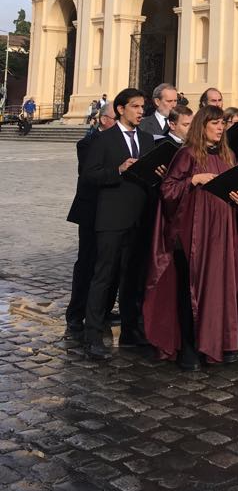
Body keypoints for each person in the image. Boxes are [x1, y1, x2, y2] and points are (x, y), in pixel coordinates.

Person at [143, 106, 238, 370]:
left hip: (221, 230)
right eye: (214, 123)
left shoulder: (228, 155)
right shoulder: (187, 154)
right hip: (193, 232)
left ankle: (219, 343)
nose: (220, 128)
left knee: (219, 287)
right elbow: (167, 189)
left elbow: (234, 188)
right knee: (192, 288)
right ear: (202, 125)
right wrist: (193, 179)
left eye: (222, 123)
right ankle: (190, 346)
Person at [81, 88, 161, 359]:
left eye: (143, 107)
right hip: (111, 218)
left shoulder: (148, 139)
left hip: (139, 217)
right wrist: (118, 170)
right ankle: (92, 334)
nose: (141, 112)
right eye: (136, 107)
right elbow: (89, 174)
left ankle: (131, 330)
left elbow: (153, 177)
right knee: (104, 276)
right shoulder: (104, 140)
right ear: (120, 109)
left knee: (133, 278)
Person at [65, 103, 117, 340]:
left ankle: (101, 311)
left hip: (112, 211)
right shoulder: (87, 143)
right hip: (91, 211)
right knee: (87, 263)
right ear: (104, 120)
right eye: (116, 118)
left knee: (109, 264)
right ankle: (75, 315)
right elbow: (91, 174)